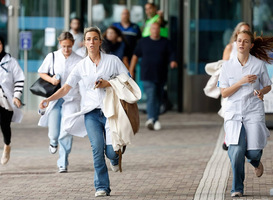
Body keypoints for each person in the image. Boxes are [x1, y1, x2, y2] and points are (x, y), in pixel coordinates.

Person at [39, 27, 129, 197]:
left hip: (111, 112)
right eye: (88, 39)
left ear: (100, 42)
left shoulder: (113, 60)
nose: (91, 42)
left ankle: (116, 157)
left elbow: (127, 78)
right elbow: (66, 87)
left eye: (95, 39)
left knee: (110, 152)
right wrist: (49, 99)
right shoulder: (81, 65)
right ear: (84, 42)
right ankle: (101, 186)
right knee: (96, 148)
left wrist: (107, 83)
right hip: (91, 113)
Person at [218, 30, 273, 197]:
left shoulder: (258, 64)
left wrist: (261, 92)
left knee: (253, 152)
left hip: (253, 111)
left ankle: (255, 162)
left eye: (245, 41)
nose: (241, 44)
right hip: (234, 113)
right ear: (235, 43)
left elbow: (267, 85)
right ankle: (237, 188)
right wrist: (241, 82)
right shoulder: (227, 66)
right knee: (236, 152)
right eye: (239, 41)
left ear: (251, 45)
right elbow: (224, 93)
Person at [38, 32, 82, 173]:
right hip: (55, 99)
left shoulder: (79, 60)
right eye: (64, 46)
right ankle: (52, 141)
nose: (66, 49)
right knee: (54, 131)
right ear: (59, 43)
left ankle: (62, 161)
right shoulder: (52, 56)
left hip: (72, 99)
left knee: (66, 131)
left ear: (73, 44)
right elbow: (41, 72)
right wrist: (51, 80)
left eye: (69, 46)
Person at [130, 22, 177, 131]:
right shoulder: (143, 42)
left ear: (159, 30)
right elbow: (135, 56)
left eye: (157, 28)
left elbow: (172, 54)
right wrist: (131, 70)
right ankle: (151, 119)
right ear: (150, 30)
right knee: (151, 96)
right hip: (147, 74)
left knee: (158, 98)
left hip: (161, 74)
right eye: (153, 28)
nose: (155, 30)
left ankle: (155, 120)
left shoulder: (166, 42)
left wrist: (173, 61)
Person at [221, 22, 251, 151]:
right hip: (231, 86)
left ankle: (243, 139)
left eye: (248, 32)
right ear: (237, 33)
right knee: (229, 112)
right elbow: (224, 68)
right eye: (243, 31)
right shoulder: (230, 48)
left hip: (246, 87)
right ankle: (227, 137)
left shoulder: (251, 49)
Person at [0, 36, 24, 165]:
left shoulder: (11, 62)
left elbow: (19, 79)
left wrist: (16, 96)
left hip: (7, 101)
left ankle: (7, 145)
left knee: (4, 125)